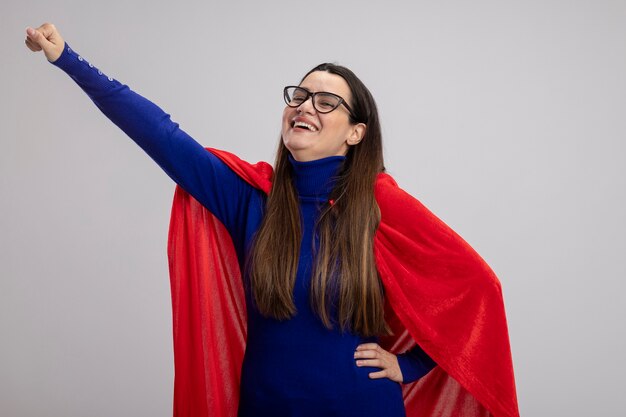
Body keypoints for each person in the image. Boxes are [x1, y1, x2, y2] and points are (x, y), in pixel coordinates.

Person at [25, 23, 520, 417]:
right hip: (265, 406)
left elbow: (477, 289)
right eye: (299, 97)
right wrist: (69, 60)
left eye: (327, 103)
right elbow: (160, 134)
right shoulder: (248, 199)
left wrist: (410, 365)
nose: (305, 107)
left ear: (356, 133)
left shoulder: (380, 208)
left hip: (361, 407)